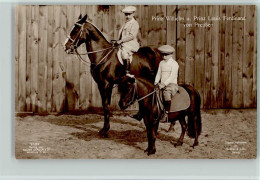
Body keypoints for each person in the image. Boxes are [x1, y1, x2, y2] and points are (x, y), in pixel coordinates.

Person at [154, 45, 179, 123]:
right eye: (163, 54)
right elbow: (159, 73)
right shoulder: (161, 63)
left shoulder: (174, 64)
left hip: (171, 84)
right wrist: (156, 82)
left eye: (166, 54)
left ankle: (166, 113)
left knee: (166, 93)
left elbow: (172, 76)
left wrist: (164, 84)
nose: (164, 56)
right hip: (161, 84)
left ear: (171, 54)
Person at [116, 6, 140, 78]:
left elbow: (132, 36)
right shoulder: (126, 23)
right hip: (123, 42)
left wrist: (121, 41)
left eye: (129, 14)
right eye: (126, 14)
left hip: (130, 43)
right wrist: (117, 41)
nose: (128, 16)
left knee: (124, 52)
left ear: (133, 14)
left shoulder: (134, 23)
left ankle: (127, 72)